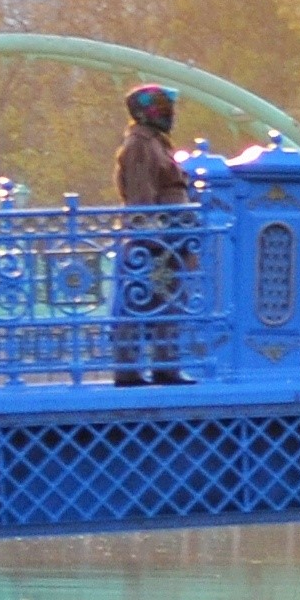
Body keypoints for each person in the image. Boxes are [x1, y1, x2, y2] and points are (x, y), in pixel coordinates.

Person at [112, 83, 195, 386]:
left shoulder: (156, 142)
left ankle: (166, 365)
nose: (170, 114)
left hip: (170, 237)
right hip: (153, 240)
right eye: (163, 107)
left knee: (169, 298)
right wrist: (152, 237)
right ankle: (129, 370)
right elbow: (141, 196)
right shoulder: (139, 145)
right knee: (140, 299)